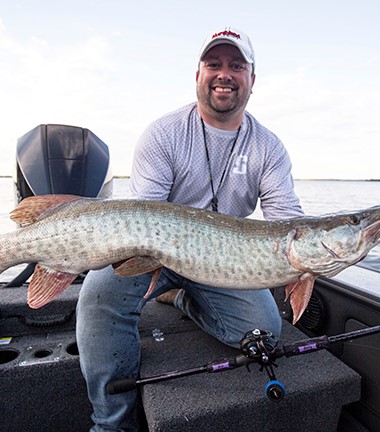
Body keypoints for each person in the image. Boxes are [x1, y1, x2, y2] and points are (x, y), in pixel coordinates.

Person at [76, 26, 304, 431]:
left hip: (221, 264)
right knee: (97, 296)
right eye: (213, 63)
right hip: (155, 255)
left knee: (263, 332)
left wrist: (307, 264)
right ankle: (111, 422)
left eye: (237, 65)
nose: (224, 73)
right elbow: (142, 220)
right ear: (198, 74)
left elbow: (286, 221)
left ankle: (181, 298)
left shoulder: (268, 148)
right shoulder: (164, 134)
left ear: (252, 79)